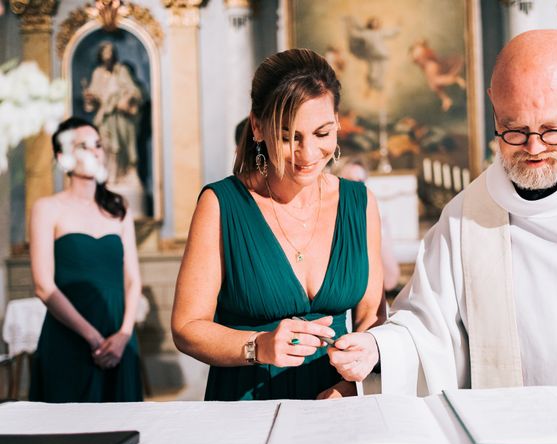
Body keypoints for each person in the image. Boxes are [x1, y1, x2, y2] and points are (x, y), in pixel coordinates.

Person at [328, 30, 557, 396]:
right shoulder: (467, 215)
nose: (534, 147)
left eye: (553, 130)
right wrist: (379, 350)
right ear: (493, 103)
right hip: (512, 434)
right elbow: (427, 327)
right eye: (514, 130)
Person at [171, 48, 384, 401]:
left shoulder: (360, 203)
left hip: (335, 404)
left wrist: (350, 385)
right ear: (258, 127)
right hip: (246, 404)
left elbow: (371, 320)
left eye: (322, 133)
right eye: (288, 137)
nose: (308, 154)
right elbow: (186, 327)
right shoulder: (221, 204)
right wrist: (258, 345)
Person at [29, 117, 143, 402]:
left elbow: (133, 280)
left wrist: (124, 334)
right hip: (69, 337)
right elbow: (43, 285)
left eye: (98, 145)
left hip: (119, 336)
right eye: (83, 146)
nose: (94, 151)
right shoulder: (47, 208)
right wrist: (92, 338)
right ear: (63, 157)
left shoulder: (119, 209)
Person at [83, 41, 142, 182]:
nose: (108, 55)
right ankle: (109, 175)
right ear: (101, 55)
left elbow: (135, 91)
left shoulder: (121, 71)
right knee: (106, 145)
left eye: (110, 52)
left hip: (121, 117)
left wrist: (125, 99)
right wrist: (91, 98)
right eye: (105, 52)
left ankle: (123, 175)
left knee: (122, 148)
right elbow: (93, 100)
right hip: (105, 116)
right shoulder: (97, 73)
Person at [338, 159, 400, 292]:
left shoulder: (373, 217)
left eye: (360, 182)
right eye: (348, 181)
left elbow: (390, 279)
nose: (355, 189)